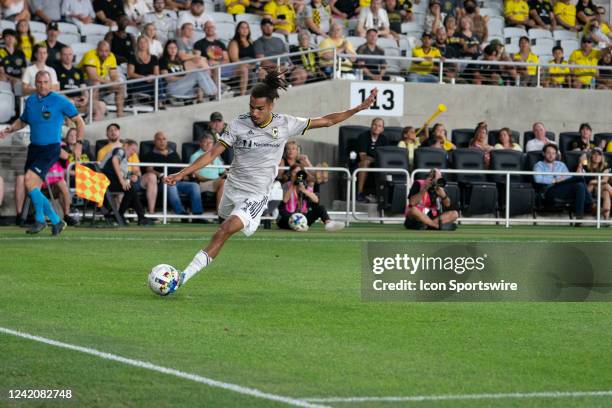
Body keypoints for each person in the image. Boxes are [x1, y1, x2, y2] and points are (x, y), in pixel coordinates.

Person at [163, 69, 378, 293]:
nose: (254, 113)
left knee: (223, 231)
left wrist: (359, 108)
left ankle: (182, 277)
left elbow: (327, 121)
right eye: (251, 107)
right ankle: (243, 223)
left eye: (260, 108)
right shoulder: (238, 125)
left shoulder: (286, 123)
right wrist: (182, 173)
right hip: (232, 187)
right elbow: (210, 154)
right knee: (223, 220)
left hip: (256, 194)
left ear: (271, 106)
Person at [0, 70, 85, 235]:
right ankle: (46, 220)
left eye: (45, 82)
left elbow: (79, 122)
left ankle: (50, 220)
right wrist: (10, 129)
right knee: (34, 187)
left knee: (29, 182)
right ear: (35, 83)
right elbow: (23, 121)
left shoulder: (60, 100)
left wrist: (79, 144)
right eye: (39, 82)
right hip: (34, 148)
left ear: (50, 83)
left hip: (51, 148)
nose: (42, 85)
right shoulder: (31, 100)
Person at [98, 123, 159, 214]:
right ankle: (125, 215)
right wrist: (123, 180)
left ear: (119, 132)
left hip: (127, 179)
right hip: (112, 180)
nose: (133, 152)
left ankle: (146, 214)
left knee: (147, 179)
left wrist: (132, 176)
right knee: (127, 187)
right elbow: (111, 167)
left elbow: (134, 171)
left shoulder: (125, 154)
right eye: (110, 130)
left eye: (115, 130)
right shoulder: (118, 151)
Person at [144, 131, 204, 220]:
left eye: (164, 139)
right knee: (171, 186)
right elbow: (149, 169)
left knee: (194, 186)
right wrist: (161, 175)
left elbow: (180, 168)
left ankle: (197, 215)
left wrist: (185, 175)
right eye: (159, 139)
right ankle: (181, 213)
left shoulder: (174, 153)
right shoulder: (150, 154)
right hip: (163, 182)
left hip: (178, 181)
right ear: (155, 141)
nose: (162, 141)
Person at [534, 143, 591, 223]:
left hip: (563, 188)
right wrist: (555, 180)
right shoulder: (539, 165)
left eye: (553, 153)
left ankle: (579, 217)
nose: (551, 155)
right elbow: (538, 179)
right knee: (579, 178)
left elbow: (568, 178)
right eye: (548, 153)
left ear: (556, 155)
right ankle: (589, 202)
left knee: (580, 185)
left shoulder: (561, 165)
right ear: (544, 154)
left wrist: (561, 179)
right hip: (549, 190)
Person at [277, 163, 344, 231]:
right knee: (283, 215)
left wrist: (304, 190)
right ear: (291, 174)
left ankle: (328, 224)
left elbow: (316, 200)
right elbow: (284, 200)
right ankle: (299, 226)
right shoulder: (286, 185)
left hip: (303, 216)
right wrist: (293, 185)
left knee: (320, 208)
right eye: (294, 172)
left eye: (298, 172)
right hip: (288, 216)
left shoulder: (305, 186)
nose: (297, 175)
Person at [102, 139, 154, 226]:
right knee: (130, 189)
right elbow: (115, 160)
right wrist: (122, 180)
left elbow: (121, 173)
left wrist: (130, 176)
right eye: (132, 149)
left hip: (108, 181)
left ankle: (138, 217)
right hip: (103, 181)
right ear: (125, 145)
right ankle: (130, 216)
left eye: (135, 151)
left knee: (130, 189)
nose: (133, 153)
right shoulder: (120, 150)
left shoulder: (124, 160)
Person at [56, 45, 106, 121]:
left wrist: (85, 98)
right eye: (65, 54)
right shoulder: (56, 70)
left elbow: (84, 88)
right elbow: (57, 90)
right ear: (60, 56)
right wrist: (71, 99)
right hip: (66, 101)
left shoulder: (78, 71)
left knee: (101, 105)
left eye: (70, 54)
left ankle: (93, 129)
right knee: (70, 103)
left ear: (73, 56)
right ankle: (71, 130)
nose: (68, 57)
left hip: (80, 101)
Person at [78, 40, 125, 117]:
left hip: (102, 82)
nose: (104, 54)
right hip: (84, 82)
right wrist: (109, 82)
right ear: (97, 50)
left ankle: (120, 114)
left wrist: (116, 81)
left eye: (106, 51)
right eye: (101, 51)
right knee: (96, 83)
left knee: (119, 86)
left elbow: (113, 74)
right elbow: (92, 76)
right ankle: (94, 112)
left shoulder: (111, 56)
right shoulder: (90, 54)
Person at [190, 133, 226, 210]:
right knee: (223, 182)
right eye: (205, 142)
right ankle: (219, 212)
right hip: (203, 184)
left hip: (217, 182)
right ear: (200, 143)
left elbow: (223, 171)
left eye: (210, 143)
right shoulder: (195, 156)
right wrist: (215, 180)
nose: (208, 144)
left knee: (232, 181)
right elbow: (197, 176)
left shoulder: (215, 156)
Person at [357, 117, 388, 202]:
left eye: (379, 126)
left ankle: (382, 195)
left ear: (382, 129)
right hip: (362, 163)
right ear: (371, 126)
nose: (376, 127)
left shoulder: (384, 139)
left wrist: (377, 161)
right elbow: (362, 156)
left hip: (378, 164)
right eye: (375, 125)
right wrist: (376, 160)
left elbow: (385, 156)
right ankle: (359, 193)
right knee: (365, 162)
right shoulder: (363, 136)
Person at [578, 147, 610, 220]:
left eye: (599, 155)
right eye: (594, 154)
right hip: (587, 191)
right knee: (606, 187)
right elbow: (578, 176)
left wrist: (593, 182)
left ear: (602, 157)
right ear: (591, 156)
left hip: (600, 190)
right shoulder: (586, 165)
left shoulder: (605, 166)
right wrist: (580, 162)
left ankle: (606, 220)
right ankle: (605, 219)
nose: (596, 157)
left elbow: (605, 180)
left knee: (606, 192)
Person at [127, 35, 160, 100]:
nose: (143, 44)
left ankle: (158, 101)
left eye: (145, 42)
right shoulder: (133, 57)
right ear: (137, 44)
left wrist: (151, 77)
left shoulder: (154, 58)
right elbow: (130, 73)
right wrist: (144, 78)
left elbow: (157, 74)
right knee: (157, 88)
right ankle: (159, 101)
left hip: (151, 82)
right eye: (141, 42)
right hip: (138, 82)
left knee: (160, 81)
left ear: (148, 44)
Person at [228, 21, 255, 96]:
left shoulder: (251, 41)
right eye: (242, 27)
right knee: (245, 69)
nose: (245, 29)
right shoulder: (234, 42)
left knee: (263, 70)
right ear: (238, 30)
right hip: (239, 67)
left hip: (252, 65)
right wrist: (247, 65)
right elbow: (234, 59)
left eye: (247, 28)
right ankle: (242, 95)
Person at [0, 28, 27, 94]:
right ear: (3, 39)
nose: (10, 38)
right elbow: (1, 71)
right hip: (6, 78)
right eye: (7, 36)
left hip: (19, 79)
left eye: (12, 36)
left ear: (15, 39)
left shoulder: (20, 53)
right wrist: (12, 79)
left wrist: (22, 80)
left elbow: (24, 70)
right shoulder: (1, 52)